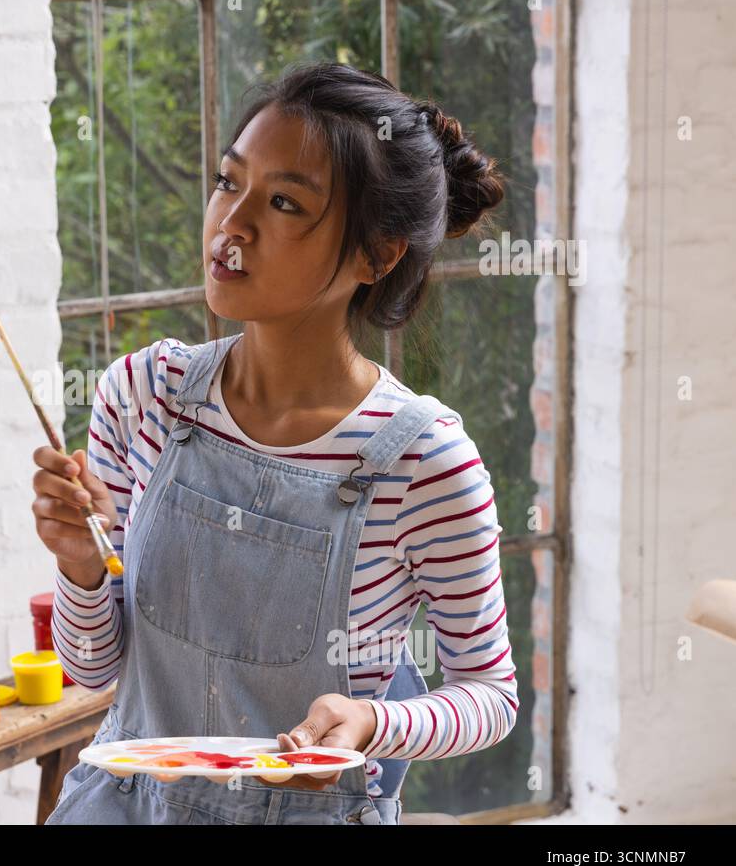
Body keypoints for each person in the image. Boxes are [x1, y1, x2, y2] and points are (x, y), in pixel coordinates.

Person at [31, 61, 518, 825]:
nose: (233, 223)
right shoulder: (143, 395)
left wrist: (373, 725)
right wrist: (80, 565)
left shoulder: (421, 461)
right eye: (230, 182)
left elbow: (491, 695)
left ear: (376, 254)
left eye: (285, 201)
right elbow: (93, 669)